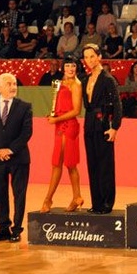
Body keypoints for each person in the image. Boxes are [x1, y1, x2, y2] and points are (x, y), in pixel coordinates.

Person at [0, 73, 33, 243]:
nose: (13, 87)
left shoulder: (25, 106)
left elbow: (26, 133)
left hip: (18, 158)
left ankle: (17, 229)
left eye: (15, 83)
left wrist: (10, 149)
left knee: (19, 194)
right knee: (0, 193)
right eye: (9, 84)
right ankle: (3, 228)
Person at [82, 44, 122, 214]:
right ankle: (96, 202)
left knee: (105, 165)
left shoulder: (108, 79)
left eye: (92, 56)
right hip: (89, 124)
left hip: (104, 124)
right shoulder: (85, 80)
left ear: (99, 56)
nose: (89, 60)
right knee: (93, 165)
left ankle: (107, 202)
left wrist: (115, 127)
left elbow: (117, 105)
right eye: (86, 57)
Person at [41, 59, 84, 213]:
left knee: (63, 163)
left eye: (73, 65)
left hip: (68, 126)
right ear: (63, 67)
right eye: (68, 65)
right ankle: (76, 197)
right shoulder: (60, 82)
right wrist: (53, 115)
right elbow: (60, 105)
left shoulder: (76, 85)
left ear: (77, 67)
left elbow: (76, 111)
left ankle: (49, 199)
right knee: (62, 163)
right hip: (60, 125)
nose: (70, 68)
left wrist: (56, 119)